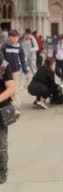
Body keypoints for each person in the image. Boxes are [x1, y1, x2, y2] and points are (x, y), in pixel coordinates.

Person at [1, 30, 30, 117]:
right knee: (7, 90)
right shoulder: (4, 47)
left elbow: (23, 60)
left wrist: (26, 71)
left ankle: (15, 108)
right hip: (5, 73)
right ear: (8, 37)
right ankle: (10, 107)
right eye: (11, 37)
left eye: (15, 37)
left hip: (15, 72)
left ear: (18, 37)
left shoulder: (19, 48)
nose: (13, 39)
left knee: (14, 90)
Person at [0, 51, 15, 183]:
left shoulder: (4, 65)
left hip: (0, 109)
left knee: (1, 144)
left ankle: (2, 170)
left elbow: (10, 88)